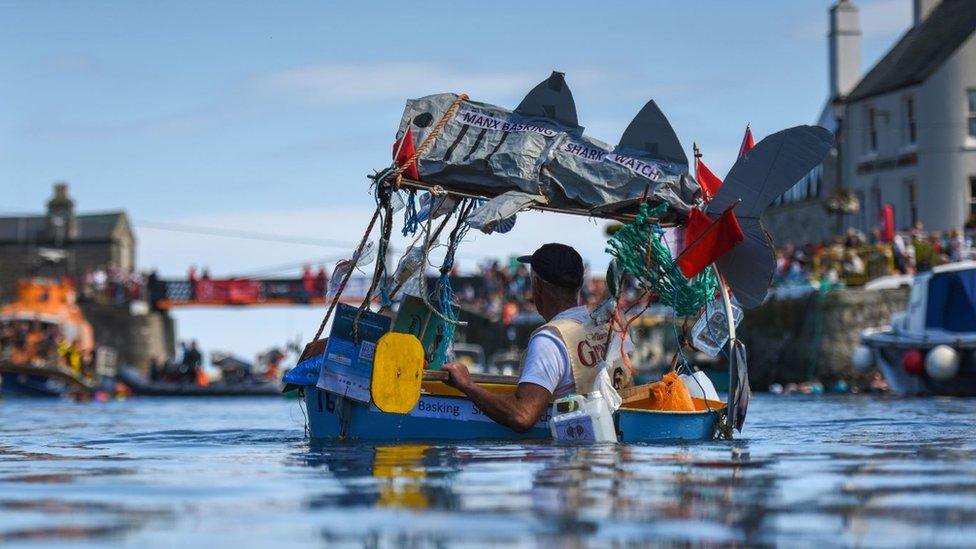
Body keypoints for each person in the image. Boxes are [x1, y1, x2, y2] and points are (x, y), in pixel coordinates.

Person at [442, 243, 620, 433]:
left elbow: (523, 415)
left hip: (569, 458)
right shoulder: (604, 329)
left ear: (538, 285)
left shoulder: (550, 339)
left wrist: (468, 386)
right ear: (579, 284)